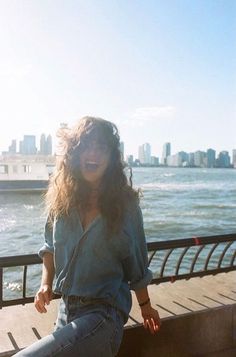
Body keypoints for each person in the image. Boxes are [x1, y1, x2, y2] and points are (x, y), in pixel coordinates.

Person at [14, 116, 161, 357]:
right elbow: (49, 247)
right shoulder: (61, 199)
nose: (93, 153)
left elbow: (136, 264)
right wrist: (45, 284)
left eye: (102, 147)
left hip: (105, 314)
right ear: (74, 152)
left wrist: (146, 307)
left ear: (112, 157)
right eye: (86, 145)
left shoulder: (125, 205)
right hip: (66, 311)